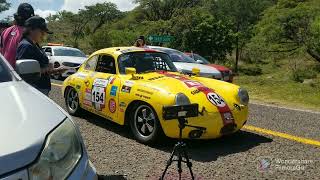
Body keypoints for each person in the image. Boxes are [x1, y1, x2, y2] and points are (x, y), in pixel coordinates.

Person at [16, 16, 66, 96]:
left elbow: (40, 70)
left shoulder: (36, 45)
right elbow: (25, 73)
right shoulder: (26, 46)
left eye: (44, 32)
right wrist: (46, 68)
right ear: (31, 29)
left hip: (41, 88)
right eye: (41, 31)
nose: (44, 34)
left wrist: (56, 70)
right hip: (33, 91)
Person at [0, 3, 35, 68]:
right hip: (19, 74)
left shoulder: (6, 31)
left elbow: (1, 53)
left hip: (6, 73)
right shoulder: (29, 33)